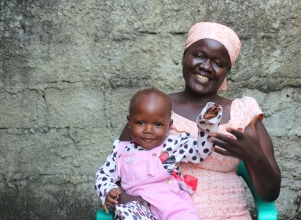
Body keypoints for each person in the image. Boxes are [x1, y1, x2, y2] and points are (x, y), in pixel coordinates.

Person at [118, 22, 281, 219]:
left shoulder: (242, 113)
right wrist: (131, 202)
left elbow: (271, 193)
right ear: (184, 56)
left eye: (218, 63)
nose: (206, 67)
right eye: (199, 56)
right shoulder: (154, 109)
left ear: (227, 71)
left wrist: (254, 156)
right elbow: (119, 169)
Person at [96, 88, 223, 219]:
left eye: (157, 124)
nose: (148, 130)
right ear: (129, 121)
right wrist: (108, 190)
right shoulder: (121, 150)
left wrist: (207, 125)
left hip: (170, 205)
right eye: (140, 122)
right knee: (126, 214)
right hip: (137, 208)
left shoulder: (172, 144)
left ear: (169, 125)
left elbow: (200, 151)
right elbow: (103, 174)